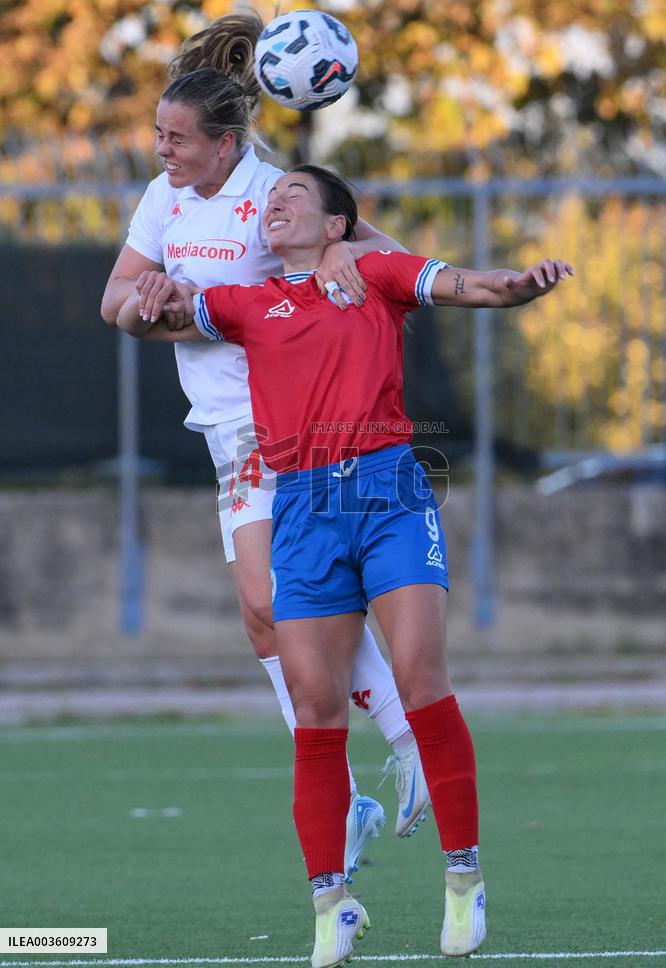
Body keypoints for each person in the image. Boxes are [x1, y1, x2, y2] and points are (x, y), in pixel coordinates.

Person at [116, 164, 574, 965]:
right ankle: (332, 906)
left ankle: (463, 880)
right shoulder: (242, 304)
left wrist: (522, 283)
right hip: (300, 509)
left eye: (296, 194)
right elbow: (142, 320)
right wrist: (148, 300)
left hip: (388, 489)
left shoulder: (374, 273)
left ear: (336, 224)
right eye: (273, 197)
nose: (276, 202)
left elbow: (478, 287)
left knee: (422, 678)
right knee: (315, 710)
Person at [100, 11, 431, 878]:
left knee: (276, 597)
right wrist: (158, 299)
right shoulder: (165, 196)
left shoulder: (276, 195)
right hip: (219, 429)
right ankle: (358, 790)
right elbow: (115, 305)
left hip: (278, 423)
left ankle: (404, 739)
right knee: (261, 614)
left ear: (225, 144)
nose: (162, 151)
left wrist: (366, 265)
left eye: (177, 139)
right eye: (158, 136)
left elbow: (381, 255)